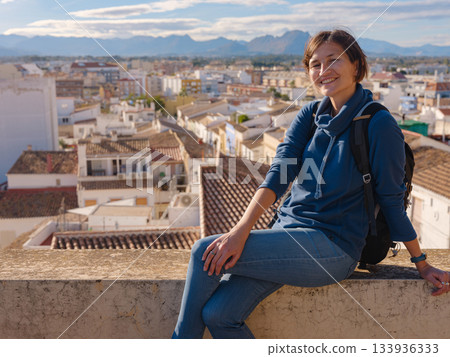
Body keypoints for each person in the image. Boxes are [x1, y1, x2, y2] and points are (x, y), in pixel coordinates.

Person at [171, 29, 450, 339]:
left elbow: (391, 199)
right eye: (315, 64)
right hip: (288, 235)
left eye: (334, 60)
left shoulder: (378, 124)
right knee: (219, 314)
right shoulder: (309, 115)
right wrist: (242, 230)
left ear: (357, 65)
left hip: (334, 247)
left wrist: (421, 263)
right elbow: (279, 174)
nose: (323, 71)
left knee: (202, 251)